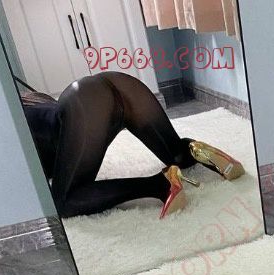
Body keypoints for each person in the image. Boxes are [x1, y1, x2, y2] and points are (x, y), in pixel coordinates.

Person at [18, 72, 244, 219]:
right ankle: (195, 148)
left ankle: (160, 184)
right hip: (117, 84)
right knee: (176, 154)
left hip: (87, 104)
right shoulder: (28, 103)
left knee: (64, 202)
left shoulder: (13, 138)